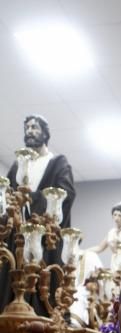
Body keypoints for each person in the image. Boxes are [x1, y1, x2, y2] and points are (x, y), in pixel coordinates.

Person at [1, 114, 76, 313]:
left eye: (34, 127)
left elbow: (66, 194)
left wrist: (33, 200)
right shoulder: (19, 165)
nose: (30, 131)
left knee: (43, 287)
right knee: (13, 279)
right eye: (27, 128)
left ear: (45, 132)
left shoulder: (58, 162)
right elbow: (9, 196)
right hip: (18, 238)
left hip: (45, 237)